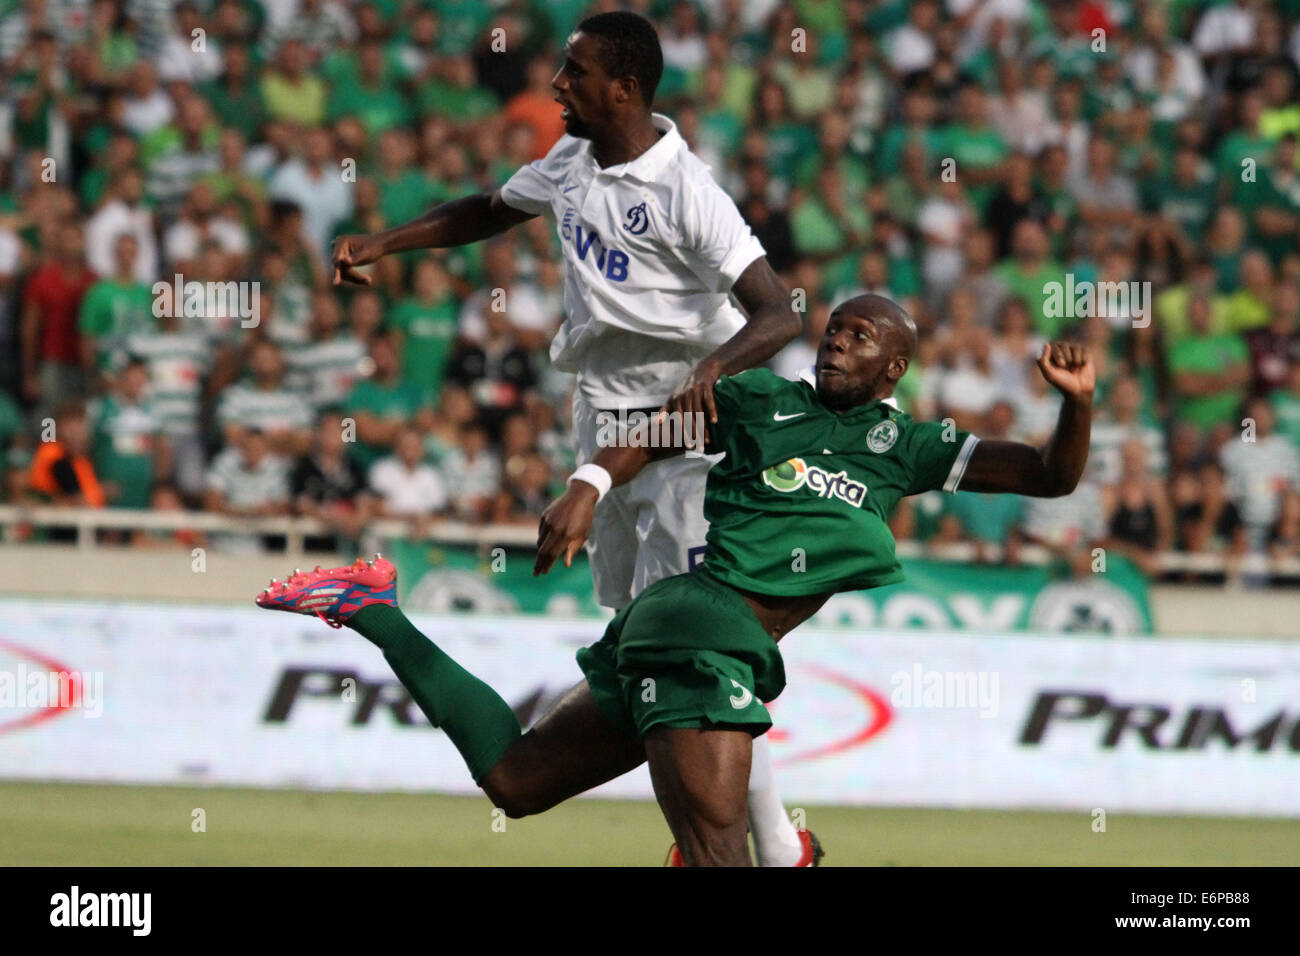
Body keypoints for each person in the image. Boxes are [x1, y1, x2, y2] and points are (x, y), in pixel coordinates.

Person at [254, 293, 1095, 866]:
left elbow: (1052, 477)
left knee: (514, 781)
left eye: (861, 336)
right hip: (709, 629)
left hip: (681, 632)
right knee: (723, 857)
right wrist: (589, 485)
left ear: (895, 369)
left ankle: (373, 609)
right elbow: (656, 432)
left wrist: (1077, 404)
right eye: (834, 329)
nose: (838, 340)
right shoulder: (762, 399)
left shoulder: (908, 446)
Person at [326, 12, 806, 865]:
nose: (555, 87)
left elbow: (777, 312)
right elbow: (489, 207)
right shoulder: (573, 161)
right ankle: (747, 839)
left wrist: (714, 373)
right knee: (638, 629)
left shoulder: (688, 190)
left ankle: (770, 846)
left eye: (574, 74)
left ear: (624, 88)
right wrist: (384, 243)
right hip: (600, 415)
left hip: (680, 435)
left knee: (693, 651)